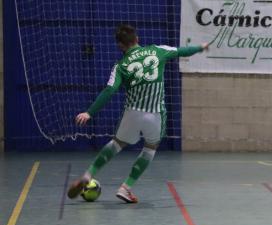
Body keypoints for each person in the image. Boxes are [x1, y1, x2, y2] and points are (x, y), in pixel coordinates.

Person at [67, 24, 209, 203]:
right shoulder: (157, 50)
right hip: (155, 114)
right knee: (151, 147)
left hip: (132, 113)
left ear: (120, 45)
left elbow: (109, 91)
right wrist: (200, 47)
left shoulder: (120, 66)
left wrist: (89, 112)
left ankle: (88, 175)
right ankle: (126, 188)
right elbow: (184, 51)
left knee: (116, 144)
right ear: (137, 39)